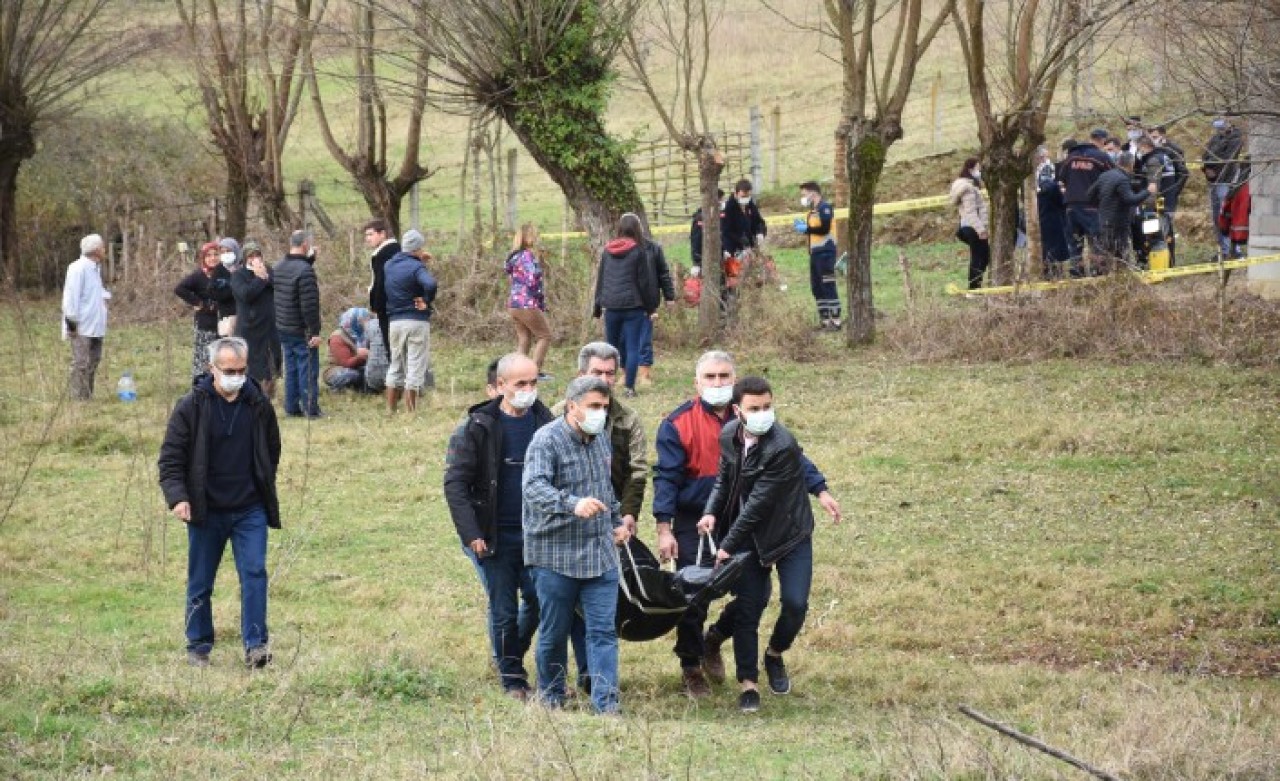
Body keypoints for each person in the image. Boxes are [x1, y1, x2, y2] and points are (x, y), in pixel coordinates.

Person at [652, 350, 839, 697]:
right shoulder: (676, 423)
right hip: (699, 518)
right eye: (710, 377)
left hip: (746, 518)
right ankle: (691, 665)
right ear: (696, 382)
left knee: (757, 593)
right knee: (695, 593)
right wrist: (665, 528)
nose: (718, 383)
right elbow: (665, 478)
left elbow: (793, 458)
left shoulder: (757, 418)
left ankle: (717, 637)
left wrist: (820, 487)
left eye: (725, 376)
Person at [698, 376, 841, 713]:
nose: (763, 413)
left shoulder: (782, 444)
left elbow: (757, 504)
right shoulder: (728, 435)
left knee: (795, 604)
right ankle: (748, 683)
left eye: (767, 407)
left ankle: (775, 654)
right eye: (755, 408)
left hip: (789, 533)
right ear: (738, 410)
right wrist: (710, 513)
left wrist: (725, 546)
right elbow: (724, 478)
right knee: (749, 608)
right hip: (748, 537)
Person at [157, 336, 281, 669]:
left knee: (254, 574)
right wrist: (178, 498)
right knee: (200, 581)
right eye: (229, 370)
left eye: (241, 370)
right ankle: (198, 646)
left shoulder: (258, 405)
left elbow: (271, 451)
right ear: (212, 368)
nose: (236, 376)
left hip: (249, 510)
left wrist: (262, 485)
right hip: (205, 510)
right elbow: (170, 459)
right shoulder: (191, 407)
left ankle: (256, 646)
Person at [445, 353, 554, 700]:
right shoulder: (477, 427)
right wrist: (472, 534)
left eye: (533, 382)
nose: (528, 390)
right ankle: (513, 678)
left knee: (541, 599)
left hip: (537, 535)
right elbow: (456, 485)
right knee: (503, 608)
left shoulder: (546, 422)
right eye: (520, 383)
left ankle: (510, 656)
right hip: (492, 535)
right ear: (500, 386)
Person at [523, 376, 631, 713]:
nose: (600, 413)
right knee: (554, 632)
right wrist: (572, 503)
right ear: (573, 406)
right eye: (593, 407)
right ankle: (551, 697)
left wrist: (617, 523)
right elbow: (533, 488)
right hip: (555, 555)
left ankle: (606, 704)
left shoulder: (601, 440)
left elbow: (606, 489)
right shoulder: (546, 440)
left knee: (602, 632)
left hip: (600, 556)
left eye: (604, 407)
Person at [592, 213, 661, 398]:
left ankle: (605, 386)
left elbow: (601, 279)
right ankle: (629, 388)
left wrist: (597, 306)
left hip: (611, 306)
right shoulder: (638, 251)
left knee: (610, 348)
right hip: (633, 307)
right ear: (637, 229)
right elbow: (644, 283)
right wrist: (651, 307)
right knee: (632, 348)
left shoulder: (607, 250)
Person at [383, 229, 438, 413]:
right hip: (415, 320)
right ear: (418, 249)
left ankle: (390, 410)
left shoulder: (389, 265)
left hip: (394, 322)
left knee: (396, 364)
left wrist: (419, 260)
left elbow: (402, 275)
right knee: (415, 364)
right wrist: (426, 300)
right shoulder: (417, 267)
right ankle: (411, 411)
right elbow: (429, 284)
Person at [273, 230, 323, 418]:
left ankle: (291, 406)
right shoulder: (305, 271)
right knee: (308, 368)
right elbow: (309, 305)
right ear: (305, 245)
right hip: (301, 328)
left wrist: (310, 261)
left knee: (291, 367)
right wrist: (314, 332)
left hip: (283, 325)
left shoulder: (278, 267)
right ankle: (311, 408)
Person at [175, 241, 235, 378]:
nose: (212, 258)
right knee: (204, 360)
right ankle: (201, 390)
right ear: (203, 258)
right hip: (206, 324)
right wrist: (198, 303)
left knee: (222, 360)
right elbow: (180, 289)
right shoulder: (199, 275)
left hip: (224, 324)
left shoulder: (226, 273)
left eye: (216, 254)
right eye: (208, 255)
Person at [62, 234, 110, 400]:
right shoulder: (77, 268)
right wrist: (72, 325)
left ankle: (87, 395)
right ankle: (77, 398)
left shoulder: (95, 268)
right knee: (81, 363)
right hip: (81, 326)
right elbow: (70, 298)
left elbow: (94, 293)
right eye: (103, 247)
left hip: (96, 324)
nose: (105, 250)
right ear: (96, 250)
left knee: (94, 360)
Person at [230, 240, 280, 398]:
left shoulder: (268, 271)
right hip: (249, 328)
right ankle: (249, 394)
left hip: (269, 326)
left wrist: (265, 276)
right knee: (251, 364)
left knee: (272, 362)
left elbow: (278, 287)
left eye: (257, 255)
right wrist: (259, 279)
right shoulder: (238, 275)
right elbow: (246, 294)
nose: (255, 258)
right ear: (245, 258)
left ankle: (269, 394)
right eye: (251, 256)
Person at [1056, 136, 1112, 275]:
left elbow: (1060, 179)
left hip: (1071, 206)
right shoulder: (1101, 157)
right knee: (1097, 242)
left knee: (1075, 243)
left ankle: (1077, 274)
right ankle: (1098, 273)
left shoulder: (1069, 158)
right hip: (1092, 205)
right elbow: (1113, 175)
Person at [1088, 152, 1150, 273]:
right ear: (1131, 164)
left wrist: (1102, 206)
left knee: (1104, 254)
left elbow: (1090, 195)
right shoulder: (1122, 179)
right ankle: (1122, 281)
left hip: (1103, 221)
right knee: (1121, 255)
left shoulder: (1104, 175)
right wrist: (1147, 191)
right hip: (1119, 224)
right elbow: (1131, 200)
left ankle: (1103, 282)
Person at [505, 223, 553, 375]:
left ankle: (516, 372)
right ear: (526, 237)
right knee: (544, 336)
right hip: (527, 303)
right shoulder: (526, 256)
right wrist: (540, 301)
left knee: (524, 338)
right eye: (534, 234)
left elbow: (511, 278)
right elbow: (532, 280)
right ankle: (534, 371)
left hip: (513, 303)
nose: (536, 237)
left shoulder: (513, 257)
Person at [794, 181, 841, 329]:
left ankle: (836, 320)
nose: (803, 197)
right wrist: (805, 228)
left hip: (826, 252)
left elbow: (824, 228)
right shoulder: (812, 212)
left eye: (804, 194)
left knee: (828, 284)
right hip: (815, 253)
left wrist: (807, 229)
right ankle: (825, 320)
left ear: (813, 193)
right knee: (817, 287)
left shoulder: (825, 208)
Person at [637, 219, 676, 387]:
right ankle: (625, 374)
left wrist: (669, 296)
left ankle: (644, 374)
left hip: (646, 302)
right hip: (623, 302)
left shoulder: (653, 248)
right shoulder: (616, 250)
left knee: (644, 339)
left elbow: (663, 274)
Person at [1202, 117, 1245, 260]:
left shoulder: (1236, 137)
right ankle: (1223, 250)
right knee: (1217, 217)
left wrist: (1214, 159)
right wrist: (1209, 167)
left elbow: (1227, 158)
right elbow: (1206, 155)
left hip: (1227, 180)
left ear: (1229, 120)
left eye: (1222, 119)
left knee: (1227, 214)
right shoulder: (1216, 137)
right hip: (1213, 181)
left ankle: (1235, 249)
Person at [950, 158, 990, 289]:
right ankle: (973, 289)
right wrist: (981, 230)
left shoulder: (966, 186)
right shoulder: (968, 189)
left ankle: (975, 287)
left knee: (983, 256)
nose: (979, 171)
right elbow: (971, 212)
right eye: (978, 168)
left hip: (968, 226)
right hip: (973, 227)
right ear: (970, 169)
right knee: (979, 258)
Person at [363, 219, 399, 359]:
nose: (368, 239)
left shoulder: (382, 254)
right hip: (399, 304)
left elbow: (380, 283)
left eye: (371, 234)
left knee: (391, 346)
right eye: (366, 235)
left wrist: (376, 306)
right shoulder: (397, 249)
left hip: (387, 307)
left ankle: (397, 379)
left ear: (382, 234)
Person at [1034, 147, 1071, 279]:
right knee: (1052, 252)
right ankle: (1053, 275)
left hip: (1049, 218)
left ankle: (1053, 275)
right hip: (1051, 219)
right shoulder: (1047, 182)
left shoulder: (1049, 175)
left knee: (1050, 252)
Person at [324, 307, 373, 393]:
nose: (367, 323)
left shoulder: (367, 334)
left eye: (368, 320)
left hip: (361, 367)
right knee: (351, 375)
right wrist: (361, 356)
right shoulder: (337, 337)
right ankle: (336, 390)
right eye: (363, 321)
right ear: (353, 321)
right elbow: (346, 363)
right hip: (338, 369)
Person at [720, 178, 767, 259]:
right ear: (736, 193)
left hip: (750, 247)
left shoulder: (750, 205)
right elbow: (726, 230)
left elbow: (759, 221)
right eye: (743, 196)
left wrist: (760, 232)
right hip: (733, 248)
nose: (746, 198)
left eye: (748, 196)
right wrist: (741, 239)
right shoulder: (728, 208)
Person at [689, 189, 725, 270]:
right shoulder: (700, 220)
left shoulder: (718, 216)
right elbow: (696, 241)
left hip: (719, 258)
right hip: (705, 261)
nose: (722, 203)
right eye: (720, 200)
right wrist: (697, 263)